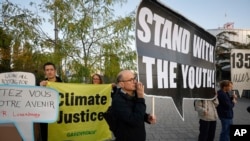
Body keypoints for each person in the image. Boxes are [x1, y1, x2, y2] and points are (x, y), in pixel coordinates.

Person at [111, 70, 156, 141]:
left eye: (135, 78)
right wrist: (140, 97)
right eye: (131, 80)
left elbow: (136, 111)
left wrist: (147, 117)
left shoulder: (134, 94)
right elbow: (135, 120)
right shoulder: (118, 100)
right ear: (121, 84)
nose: (135, 81)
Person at [37, 62, 62, 141]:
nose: (49, 72)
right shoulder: (40, 85)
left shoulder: (63, 85)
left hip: (60, 117)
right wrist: (40, 88)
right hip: (46, 119)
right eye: (47, 70)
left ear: (55, 71)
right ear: (45, 72)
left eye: (51, 69)